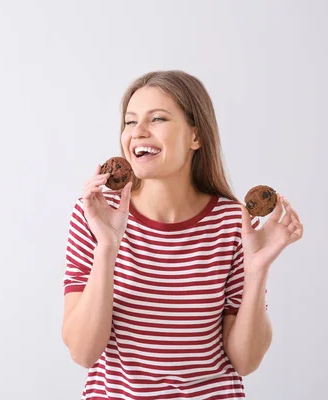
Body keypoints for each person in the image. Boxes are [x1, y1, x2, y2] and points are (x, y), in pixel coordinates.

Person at [61, 70, 303, 400]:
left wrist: (257, 269)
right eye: (130, 122)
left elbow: (245, 361)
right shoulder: (94, 213)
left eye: (157, 119)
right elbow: (83, 353)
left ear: (196, 136)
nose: (138, 133)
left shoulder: (233, 222)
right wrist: (107, 247)